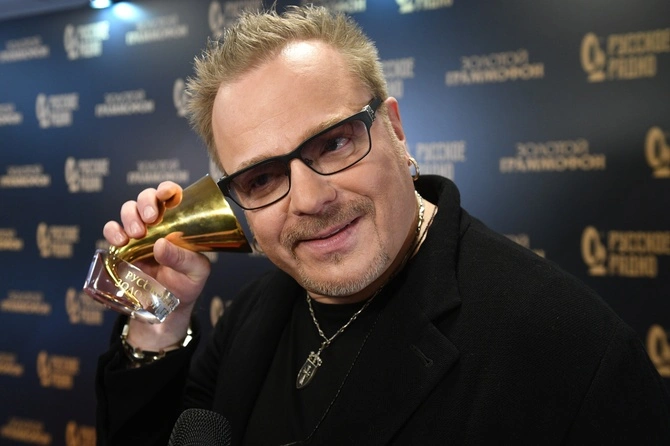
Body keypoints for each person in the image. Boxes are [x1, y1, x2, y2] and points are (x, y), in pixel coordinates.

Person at [95, 5, 670, 445]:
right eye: (262, 179)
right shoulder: (250, 315)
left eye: (334, 143)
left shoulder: (568, 352)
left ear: (394, 129)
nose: (310, 199)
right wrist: (157, 325)